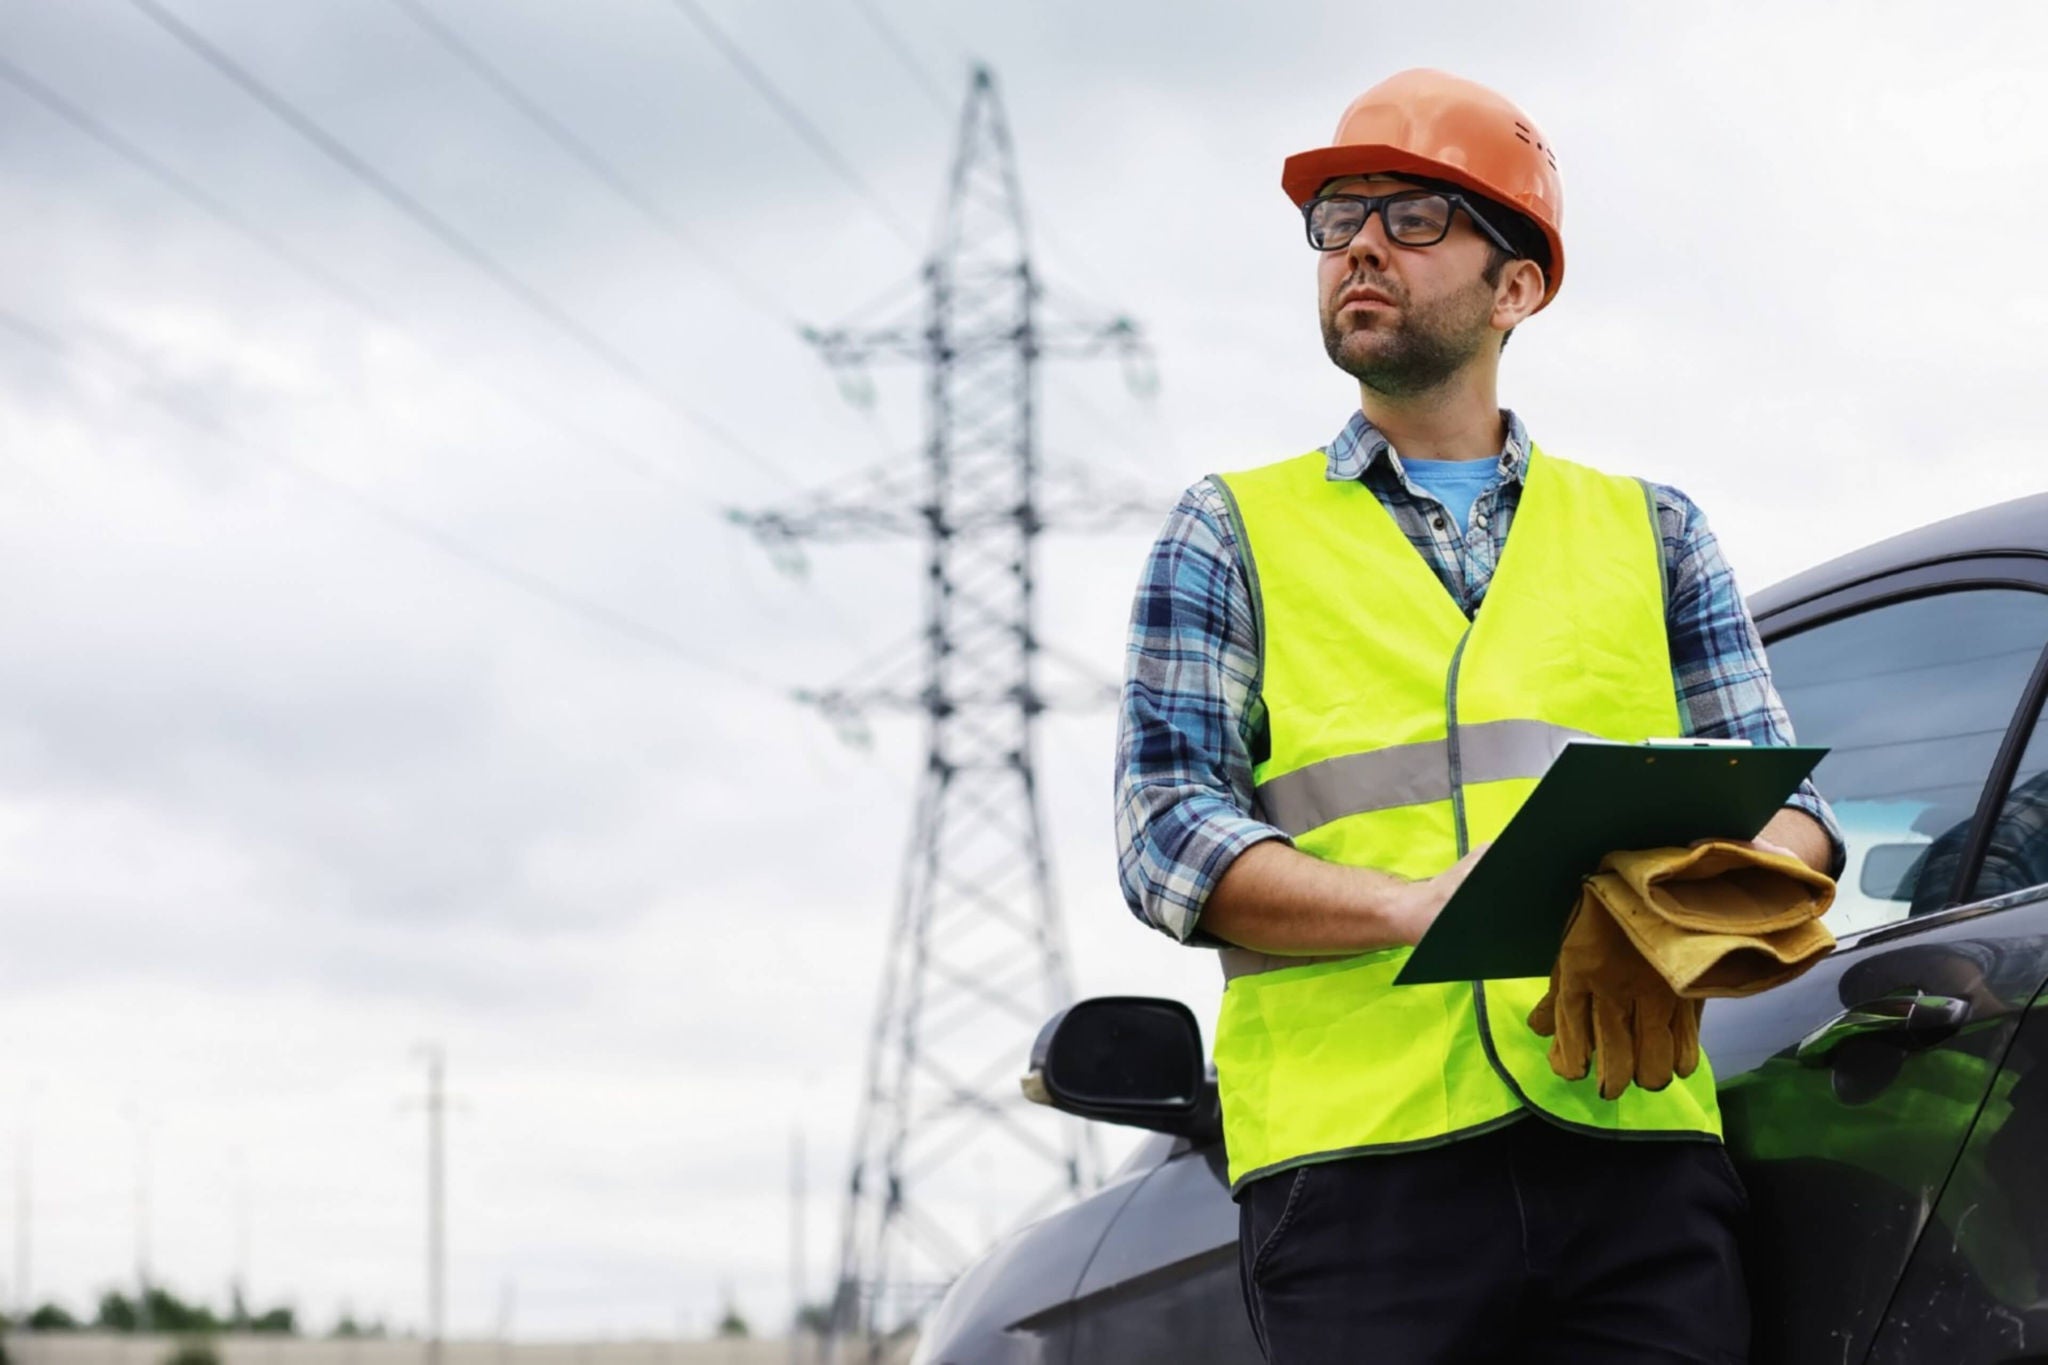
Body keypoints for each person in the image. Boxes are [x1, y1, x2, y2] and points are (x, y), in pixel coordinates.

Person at [1113, 69, 1846, 1363]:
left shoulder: (1653, 530)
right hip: (1357, 1181)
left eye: (1410, 218)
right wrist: (1413, 906)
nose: (1359, 249)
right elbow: (1165, 837)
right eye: (1338, 221)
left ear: (1517, 287)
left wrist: (1676, 913)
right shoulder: (1229, 532)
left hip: (1632, 1154)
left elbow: (1800, 821)